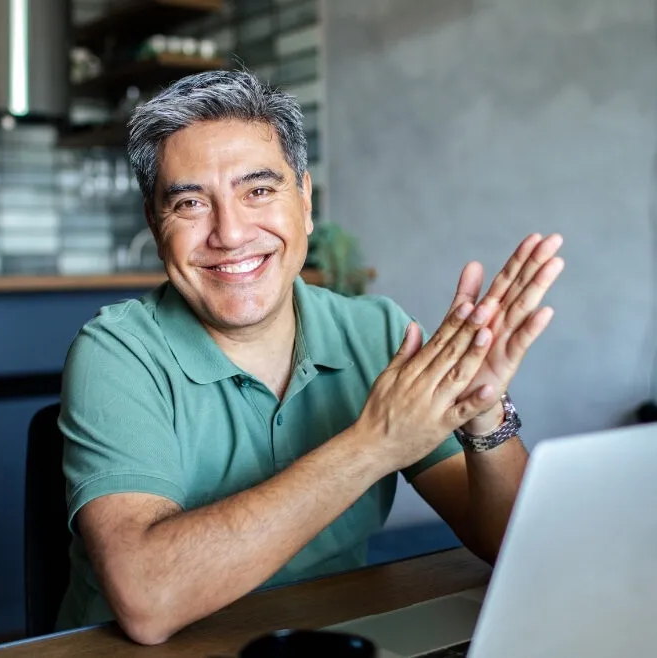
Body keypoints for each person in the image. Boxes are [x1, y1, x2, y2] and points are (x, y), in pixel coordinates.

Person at [56, 70, 564, 645]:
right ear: (155, 224)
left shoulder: (377, 333)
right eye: (192, 203)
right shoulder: (116, 352)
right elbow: (147, 600)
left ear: (304, 200)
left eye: (259, 191)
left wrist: (483, 414)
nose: (230, 233)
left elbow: (512, 546)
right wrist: (375, 442)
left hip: (333, 638)